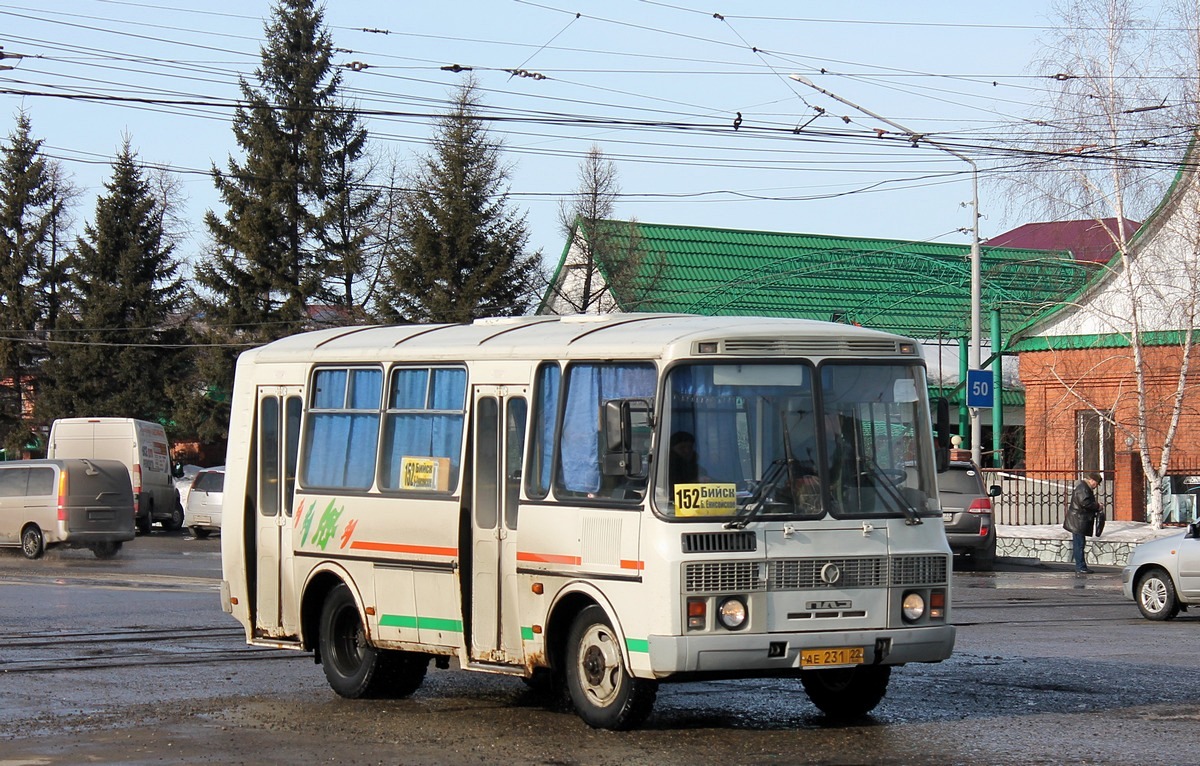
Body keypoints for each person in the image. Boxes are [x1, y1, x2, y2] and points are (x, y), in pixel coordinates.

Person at [1064, 472, 1103, 574]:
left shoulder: (1084, 487)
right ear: (1092, 480)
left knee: (1079, 544)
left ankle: (1081, 566)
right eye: (1096, 484)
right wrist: (1097, 506)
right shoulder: (1083, 488)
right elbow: (1085, 503)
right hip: (1078, 521)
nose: (1096, 486)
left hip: (1078, 521)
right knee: (1079, 544)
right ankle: (1080, 567)